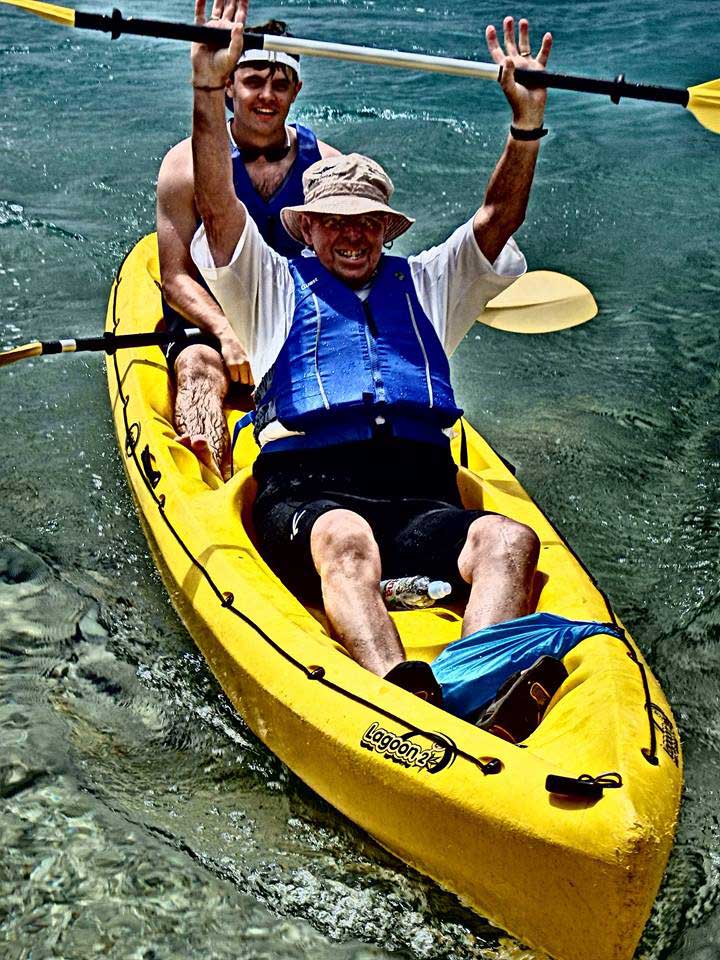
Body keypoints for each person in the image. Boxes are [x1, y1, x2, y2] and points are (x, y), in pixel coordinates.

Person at [189, 0, 550, 703]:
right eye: (334, 223)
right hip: (310, 495)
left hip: (419, 497)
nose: (352, 236)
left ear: (387, 229)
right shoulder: (271, 288)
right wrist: (208, 86)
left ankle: (476, 685)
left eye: (368, 223)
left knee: (510, 540)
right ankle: (398, 699)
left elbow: (497, 217)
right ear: (308, 228)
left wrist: (526, 125)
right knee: (348, 538)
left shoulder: (432, 284)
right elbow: (218, 206)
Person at [156, 15, 339, 480]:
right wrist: (226, 332)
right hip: (209, 323)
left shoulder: (329, 168)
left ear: (296, 91)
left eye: (281, 84)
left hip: (290, 318)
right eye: (254, 81)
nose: (267, 96)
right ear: (229, 86)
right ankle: (207, 480)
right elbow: (175, 278)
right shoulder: (183, 166)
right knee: (198, 367)